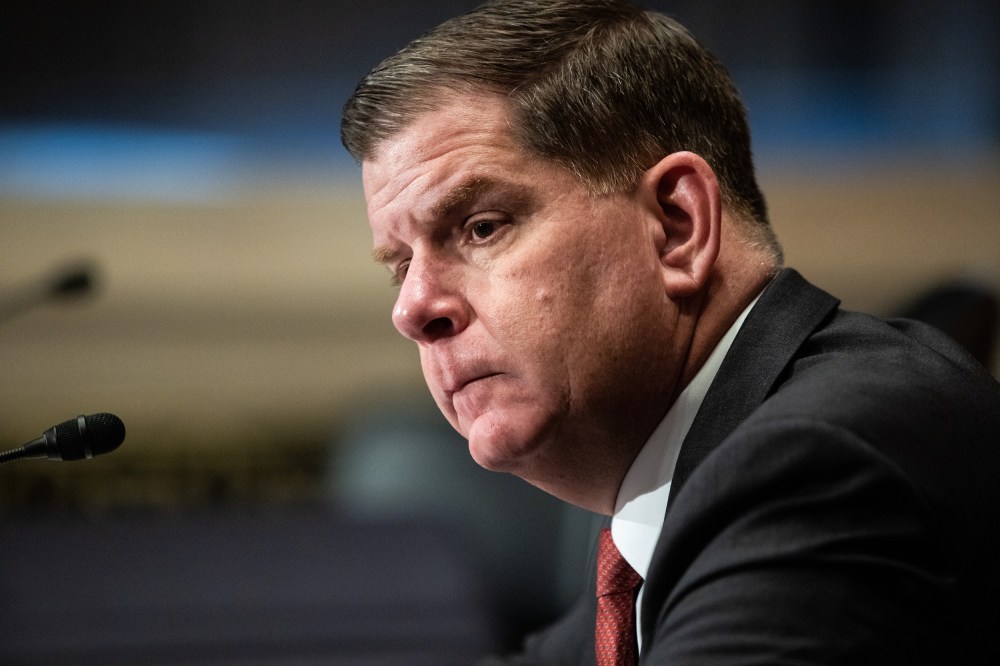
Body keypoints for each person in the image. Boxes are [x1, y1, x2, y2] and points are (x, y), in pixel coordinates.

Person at [339, 0, 1000, 663]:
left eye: (481, 227)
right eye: (401, 268)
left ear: (676, 227)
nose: (412, 309)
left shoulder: (821, 462)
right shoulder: (665, 504)